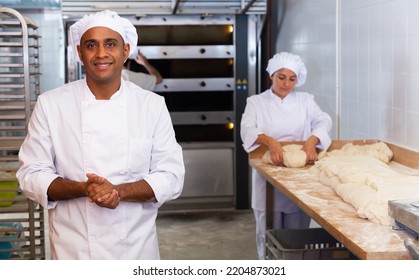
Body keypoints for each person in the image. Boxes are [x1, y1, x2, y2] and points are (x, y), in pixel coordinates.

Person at [16, 10, 185, 260]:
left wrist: (119, 192)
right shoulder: (51, 104)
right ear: (79, 53)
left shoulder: (151, 105)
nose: (101, 53)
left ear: (125, 51)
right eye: (91, 45)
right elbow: (31, 174)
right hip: (75, 252)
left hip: (136, 252)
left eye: (111, 44)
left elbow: (171, 175)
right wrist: (84, 188)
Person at [240, 52, 332, 260]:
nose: (286, 84)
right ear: (271, 75)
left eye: (292, 79)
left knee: (296, 235)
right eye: (281, 77)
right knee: (267, 234)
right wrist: (271, 142)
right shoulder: (256, 102)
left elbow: (323, 121)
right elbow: (246, 128)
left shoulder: (306, 101)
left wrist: (312, 140)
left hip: (298, 178)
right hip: (267, 176)